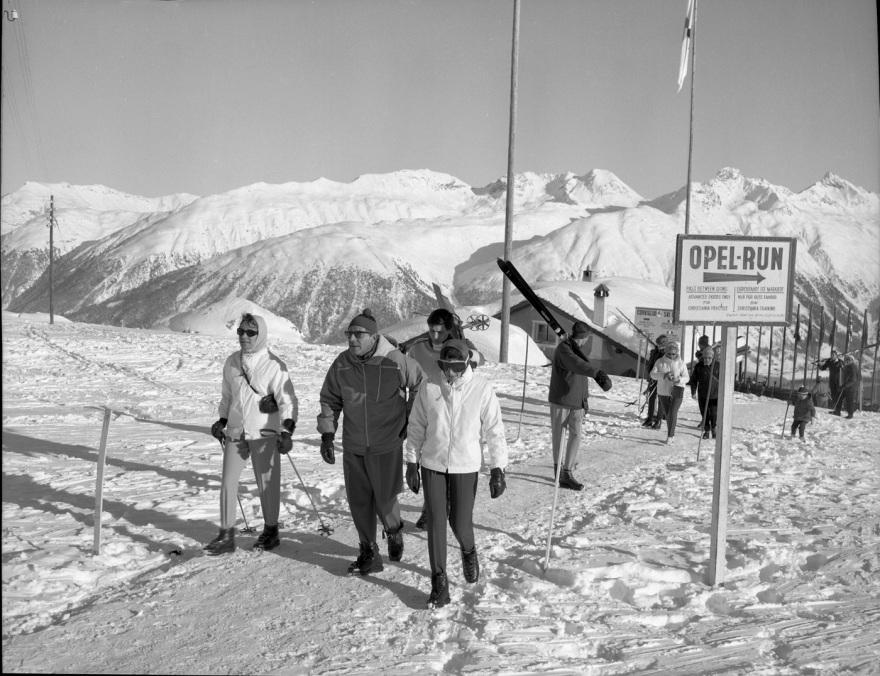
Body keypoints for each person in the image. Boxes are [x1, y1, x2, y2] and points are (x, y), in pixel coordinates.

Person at [317, 308, 424, 576]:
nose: (352, 339)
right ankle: (369, 551)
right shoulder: (342, 363)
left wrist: (410, 416)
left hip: (387, 440)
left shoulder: (394, 360)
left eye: (358, 335)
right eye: (349, 334)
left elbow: (420, 383)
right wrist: (327, 434)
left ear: (374, 337)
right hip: (354, 443)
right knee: (359, 500)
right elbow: (330, 399)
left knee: (385, 497)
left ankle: (393, 529)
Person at [405, 340, 508, 609]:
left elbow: (494, 430)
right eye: (444, 366)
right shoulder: (430, 386)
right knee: (436, 523)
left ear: (465, 364)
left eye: (455, 367)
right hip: (433, 463)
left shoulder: (481, 388)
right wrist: (412, 462)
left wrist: (498, 468)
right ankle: (439, 582)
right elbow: (416, 426)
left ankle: (468, 549)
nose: (449, 372)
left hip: (465, 465)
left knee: (460, 522)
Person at [207, 313, 298, 555]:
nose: (244, 337)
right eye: (241, 331)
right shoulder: (232, 362)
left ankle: (271, 531)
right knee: (228, 482)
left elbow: (288, 401)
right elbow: (228, 396)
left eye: (250, 332)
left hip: (264, 432)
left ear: (261, 335)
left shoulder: (274, 365)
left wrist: (286, 431)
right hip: (236, 431)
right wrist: (222, 420)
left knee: (267, 484)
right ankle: (226, 535)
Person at [403, 308, 481, 530]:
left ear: (449, 330)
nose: (434, 336)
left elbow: (478, 359)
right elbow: (408, 374)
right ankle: (433, 506)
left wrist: (465, 352)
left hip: (450, 409)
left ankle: (436, 508)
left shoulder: (458, 347)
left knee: (444, 458)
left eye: (440, 332)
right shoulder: (417, 348)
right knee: (427, 458)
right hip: (422, 406)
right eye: (431, 330)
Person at [548, 321, 610, 490]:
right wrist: (597, 372)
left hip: (576, 402)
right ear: (584, 337)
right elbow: (577, 365)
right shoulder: (564, 349)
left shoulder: (576, 350)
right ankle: (558, 471)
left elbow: (581, 378)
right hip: (561, 399)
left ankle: (567, 472)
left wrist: (585, 400)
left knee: (576, 435)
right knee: (559, 437)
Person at [650, 340, 689, 445]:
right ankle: (671, 433)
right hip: (663, 391)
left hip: (677, 389)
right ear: (666, 352)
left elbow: (687, 377)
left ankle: (670, 435)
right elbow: (652, 375)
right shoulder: (660, 362)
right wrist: (663, 375)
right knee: (667, 414)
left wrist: (678, 380)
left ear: (677, 353)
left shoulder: (681, 363)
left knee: (673, 412)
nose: (672, 356)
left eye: (673, 354)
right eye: (669, 354)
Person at [688, 347, 720, 439]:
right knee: (704, 413)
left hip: (714, 394)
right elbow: (694, 380)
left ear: (712, 357)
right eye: (705, 357)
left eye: (709, 358)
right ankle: (707, 430)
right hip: (703, 394)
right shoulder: (699, 366)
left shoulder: (718, 366)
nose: (707, 359)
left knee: (713, 413)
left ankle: (714, 428)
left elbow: (723, 380)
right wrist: (693, 392)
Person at [641, 334, 668, 428]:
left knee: (661, 398)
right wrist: (650, 375)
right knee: (651, 397)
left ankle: (659, 419)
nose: (658, 346)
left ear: (664, 344)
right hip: (653, 377)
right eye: (657, 344)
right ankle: (650, 417)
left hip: (662, 379)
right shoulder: (655, 352)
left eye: (660, 344)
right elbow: (651, 364)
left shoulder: (668, 354)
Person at [831, 354, 859, 418]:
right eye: (847, 360)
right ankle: (837, 411)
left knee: (850, 400)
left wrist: (845, 386)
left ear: (852, 361)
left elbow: (853, 379)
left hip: (851, 388)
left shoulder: (852, 368)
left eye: (849, 360)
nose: (848, 361)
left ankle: (850, 414)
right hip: (846, 387)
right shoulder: (848, 367)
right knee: (838, 396)